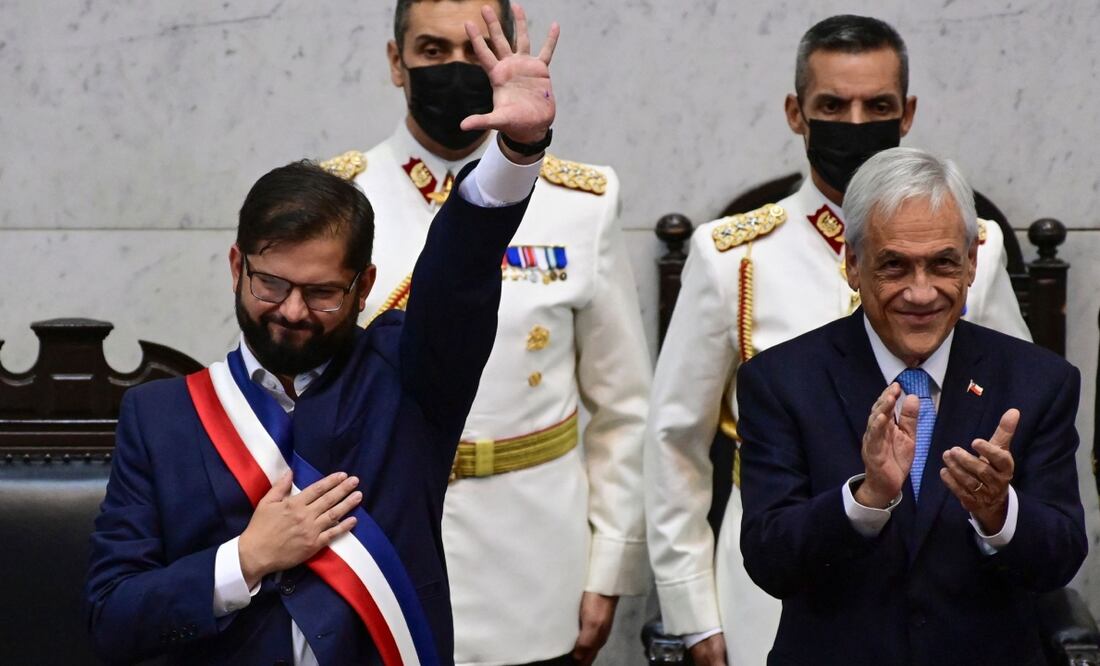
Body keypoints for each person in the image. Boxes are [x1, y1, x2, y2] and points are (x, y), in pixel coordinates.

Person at [84, 7, 559, 664]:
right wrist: (245, 559)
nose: (292, 312)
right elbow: (112, 617)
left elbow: (459, 271)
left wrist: (517, 153)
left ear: (363, 288)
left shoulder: (411, 381)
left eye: (322, 293)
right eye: (271, 284)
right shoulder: (160, 419)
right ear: (236, 266)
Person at [644, 15, 1032, 666]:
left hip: (943, 577)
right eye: (833, 105)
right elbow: (674, 440)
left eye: (876, 105)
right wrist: (691, 610)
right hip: (779, 578)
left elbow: (1019, 407)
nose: (854, 124)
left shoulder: (977, 251)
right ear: (797, 113)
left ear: (906, 113)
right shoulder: (733, 257)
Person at [320, 1, 651, 664]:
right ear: (396, 63)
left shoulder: (580, 203)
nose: (455, 68)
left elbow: (624, 408)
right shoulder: (335, 200)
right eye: (432, 51)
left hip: (531, 559)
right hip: (374, 544)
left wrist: (608, 566)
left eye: (475, 51)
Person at [738, 147, 1086, 665]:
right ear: (853, 265)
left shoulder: (1037, 381)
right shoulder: (781, 380)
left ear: (970, 264)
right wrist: (867, 498)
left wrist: (999, 514)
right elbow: (770, 560)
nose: (920, 293)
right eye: (894, 266)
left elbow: (1060, 558)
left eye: (943, 263)